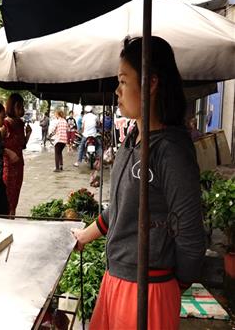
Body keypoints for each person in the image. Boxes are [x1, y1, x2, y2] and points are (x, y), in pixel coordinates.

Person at [71, 36, 205, 330]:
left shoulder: (171, 151)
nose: (117, 90)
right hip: (114, 280)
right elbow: (119, 210)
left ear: (151, 83)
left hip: (149, 290)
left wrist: (170, 286)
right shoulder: (132, 140)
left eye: (123, 80)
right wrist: (83, 236)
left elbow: (192, 237)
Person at [2, 93, 32, 215]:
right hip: (7, 167)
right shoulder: (5, 124)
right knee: (7, 198)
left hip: (19, 165)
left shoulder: (20, 123)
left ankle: (12, 216)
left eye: (22, 107)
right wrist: (8, 153)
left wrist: (28, 134)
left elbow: (22, 145)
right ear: (12, 106)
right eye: (19, 106)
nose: (21, 110)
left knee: (15, 197)